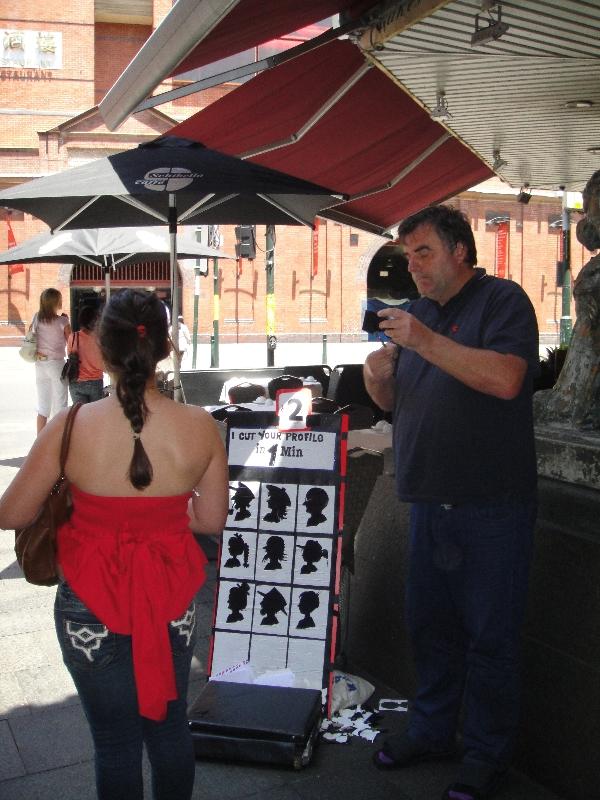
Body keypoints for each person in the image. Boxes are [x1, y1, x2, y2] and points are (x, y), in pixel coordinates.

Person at [0, 288, 229, 800]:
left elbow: (11, 513)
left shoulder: (71, 425)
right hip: (172, 593)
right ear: (165, 348)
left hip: (88, 596)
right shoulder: (201, 427)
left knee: (114, 742)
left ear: (99, 350)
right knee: (170, 729)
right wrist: (163, 514)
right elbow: (212, 517)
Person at [364, 205, 539, 800]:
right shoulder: (416, 315)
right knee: (430, 629)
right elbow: (395, 405)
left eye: (424, 253)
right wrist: (377, 377)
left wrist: (424, 340)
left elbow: (506, 379)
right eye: (407, 255)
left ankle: (487, 754)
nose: (412, 266)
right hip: (426, 500)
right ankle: (434, 730)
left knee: (491, 637)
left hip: (492, 506)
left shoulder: (503, 301)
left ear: (460, 250)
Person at [32, 288, 71, 433]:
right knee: (60, 407)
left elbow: (31, 336)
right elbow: (71, 341)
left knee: (43, 407)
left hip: (40, 364)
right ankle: (58, 443)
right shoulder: (62, 321)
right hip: (57, 365)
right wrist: (68, 323)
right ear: (56, 302)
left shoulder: (36, 318)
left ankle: (40, 443)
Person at [67, 305, 105, 405]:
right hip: (96, 381)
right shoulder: (100, 339)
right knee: (95, 417)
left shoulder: (73, 337)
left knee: (81, 417)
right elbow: (103, 363)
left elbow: (70, 356)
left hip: (76, 381)